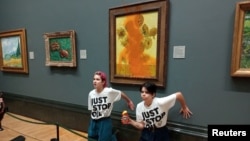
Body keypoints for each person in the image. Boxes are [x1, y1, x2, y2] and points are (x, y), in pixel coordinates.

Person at [121, 81, 193, 141]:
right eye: (142, 92)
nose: (143, 94)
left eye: (147, 92)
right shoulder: (139, 106)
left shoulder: (161, 102)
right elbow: (141, 126)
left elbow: (178, 95)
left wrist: (184, 107)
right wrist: (130, 121)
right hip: (146, 132)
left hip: (161, 132)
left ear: (153, 94)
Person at [87, 71, 135, 141]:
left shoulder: (108, 92)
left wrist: (129, 101)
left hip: (104, 120)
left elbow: (120, 93)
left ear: (103, 82)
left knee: (104, 139)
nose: (95, 81)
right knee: (91, 137)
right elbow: (91, 108)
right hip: (94, 121)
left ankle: (112, 136)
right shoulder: (91, 94)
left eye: (97, 79)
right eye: (94, 79)